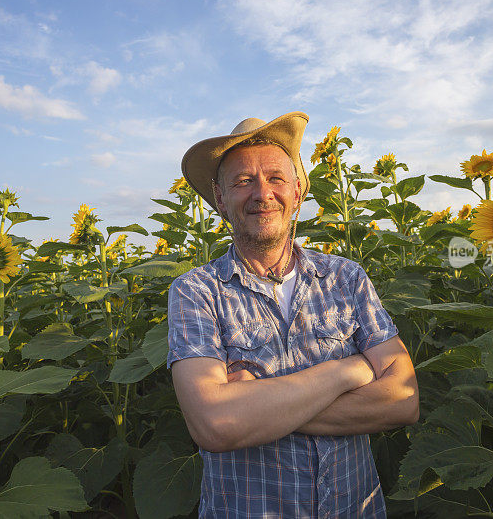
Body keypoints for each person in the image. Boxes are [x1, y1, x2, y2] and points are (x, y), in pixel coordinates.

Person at [167, 111, 419, 518]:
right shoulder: (197, 292)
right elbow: (215, 425)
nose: (262, 193)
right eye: (243, 181)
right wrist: (348, 372)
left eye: (275, 178)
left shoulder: (346, 277)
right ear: (220, 198)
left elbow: (404, 400)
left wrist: (254, 405)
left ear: (298, 190)